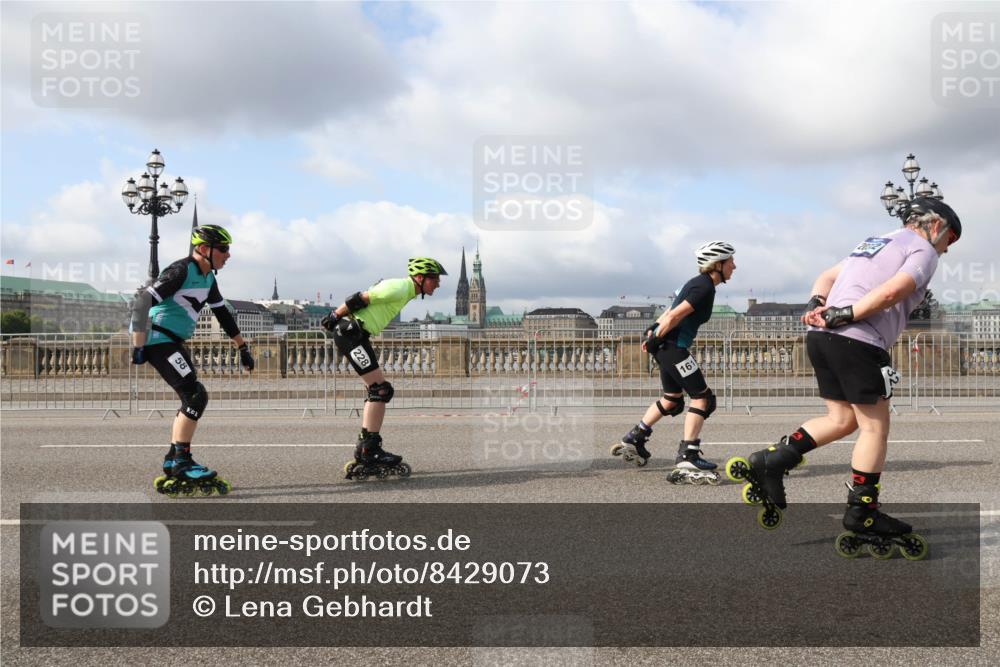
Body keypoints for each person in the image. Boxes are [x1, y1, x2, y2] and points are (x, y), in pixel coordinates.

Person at [732, 197, 960, 550]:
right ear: (935, 225)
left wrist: (817, 305)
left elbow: (826, 276)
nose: (945, 250)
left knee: (840, 419)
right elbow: (893, 291)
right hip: (858, 340)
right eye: (949, 240)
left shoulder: (874, 241)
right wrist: (848, 313)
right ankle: (863, 512)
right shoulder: (923, 251)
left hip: (820, 339)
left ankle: (772, 461)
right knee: (874, 427)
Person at [131, 224, 254, 496]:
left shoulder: (208, 279)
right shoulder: (181, 271)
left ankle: (174, 457)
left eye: (228, 249)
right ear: (203, 249)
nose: (228, 255)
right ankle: (182, 461)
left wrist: (242, 346)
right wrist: (138, 346)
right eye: (223, 249)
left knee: (192, 395)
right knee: (194, 395)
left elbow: (223, 315)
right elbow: (142, 303)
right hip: (157, 338)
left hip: (172, 340)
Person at [612, 241, 736, 484]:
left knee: (672, 399)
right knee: (703, 398)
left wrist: (653, 332)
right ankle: (688, 454)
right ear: (718, 264)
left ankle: (635, 437)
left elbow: (670, 310)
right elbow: (677, 315)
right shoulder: (705, 287)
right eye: (731, 261)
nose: (734, 266)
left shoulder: (695, 283)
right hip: (674, 349)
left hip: (667, 348)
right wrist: (655, 337)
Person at [322, 257, 446, 480]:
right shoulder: (400, 287)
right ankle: (370, 450)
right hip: (351, 334)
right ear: (420, 278)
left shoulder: (406, 291)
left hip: (356, 335)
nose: (437, 284)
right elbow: (359, 298)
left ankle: (367, 447)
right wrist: (335, 315)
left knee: (378, 391)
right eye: (434, 279)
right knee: (380, 390)